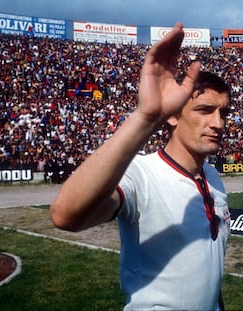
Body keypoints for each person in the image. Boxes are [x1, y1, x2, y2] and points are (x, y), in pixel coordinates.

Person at [50, 22, 231, 310]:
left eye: (223, 112)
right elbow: (65, 215)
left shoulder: (213, 176)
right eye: (205, 110)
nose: (218, 123)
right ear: (172, 116)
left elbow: (209, 266)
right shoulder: (141, 174)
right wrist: (146, 118)